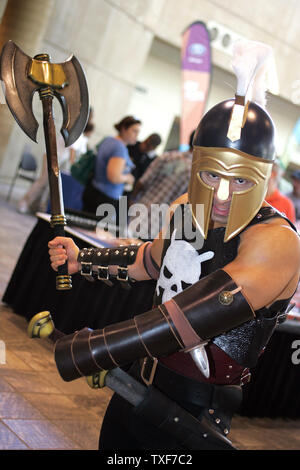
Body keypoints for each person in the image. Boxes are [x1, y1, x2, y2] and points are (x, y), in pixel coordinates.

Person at [48, 41, 300, 450]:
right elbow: (152, 260)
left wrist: (98, 348)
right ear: (195, 163)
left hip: (194, 411)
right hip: (138, 382)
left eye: (240, 180)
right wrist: (84, 259)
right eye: (211, 176)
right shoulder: (187, 207)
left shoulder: (276, 241)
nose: (221, 196)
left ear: (264, 177)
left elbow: (196, 315)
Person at [127, 132, 194, 240]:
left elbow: (142, 182)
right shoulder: (197, 174)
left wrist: (132, 200)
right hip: (160, 226)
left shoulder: (168, 156)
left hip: (140, 213)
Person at [17, 122, 94, 214]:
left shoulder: (81, 137)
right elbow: (72, 155)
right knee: (43, 181)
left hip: (58, 159)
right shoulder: (74, 132)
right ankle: (24, 203)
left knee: (50, 185)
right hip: (51, 156)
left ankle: (35, 206)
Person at [82, 115, 141, 218]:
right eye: (134, 131)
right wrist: (128, 178)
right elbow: (114, 177)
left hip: (93, 189)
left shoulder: (108, 140)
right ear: (123, 129)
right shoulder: (120, 148)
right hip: (105, 198)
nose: (136, 135)